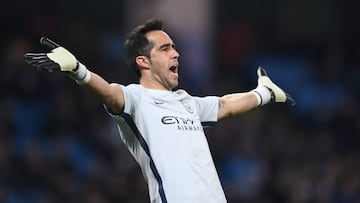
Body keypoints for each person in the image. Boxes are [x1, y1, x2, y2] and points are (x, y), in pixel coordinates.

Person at [24, 18, 295, 203]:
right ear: (143, 61)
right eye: (166, 49)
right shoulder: (134, 98)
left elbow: (226, 105)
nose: (176, 54)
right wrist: (77, 70)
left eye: (175, 48)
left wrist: (263, 94)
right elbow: (107, 92)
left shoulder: (186, 101)